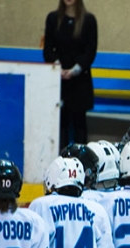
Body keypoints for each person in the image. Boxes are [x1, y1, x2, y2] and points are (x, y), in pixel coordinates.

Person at [43, 0, 98, 150]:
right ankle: (60, 159)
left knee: (79, 123)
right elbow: (48, 48)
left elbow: (90, 51)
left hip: (80, 80)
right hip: (58, 79)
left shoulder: (89, 20)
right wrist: (57, 66)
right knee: (61, 123)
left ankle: (82, 160)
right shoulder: (53, 19)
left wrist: (75, 69)